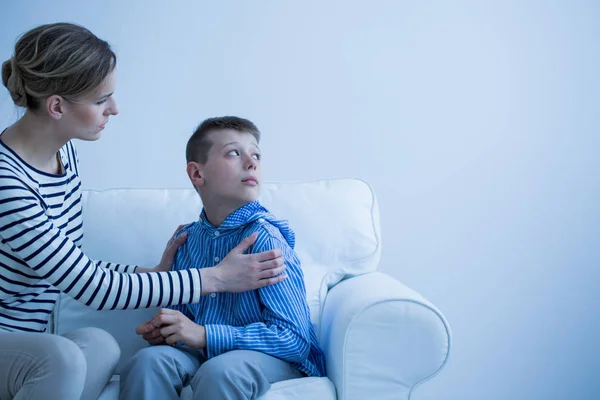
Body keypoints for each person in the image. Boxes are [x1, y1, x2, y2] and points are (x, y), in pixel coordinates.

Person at [0, 23, 288, 400]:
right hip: (14, 342)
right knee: (64, 358)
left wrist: (149, 275)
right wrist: (215, 277)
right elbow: (90, 287)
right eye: (102, 100)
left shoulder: (64, 157)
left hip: (25, 344)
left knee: (100, 345)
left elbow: (69, 263)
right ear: (57, 106)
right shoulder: (8, 184)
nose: (114, 109)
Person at [120, 116, 326, 400]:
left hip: (272, 359)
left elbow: (295, 342)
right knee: (147, 362)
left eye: (256, 155)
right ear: (197, 174)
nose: (251, 162)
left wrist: (205, 334)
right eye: (234, 153)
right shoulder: (187, 241)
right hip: (203, 356)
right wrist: (168, 330)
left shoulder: (265, 239)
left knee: (221, 371)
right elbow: (185, 323)